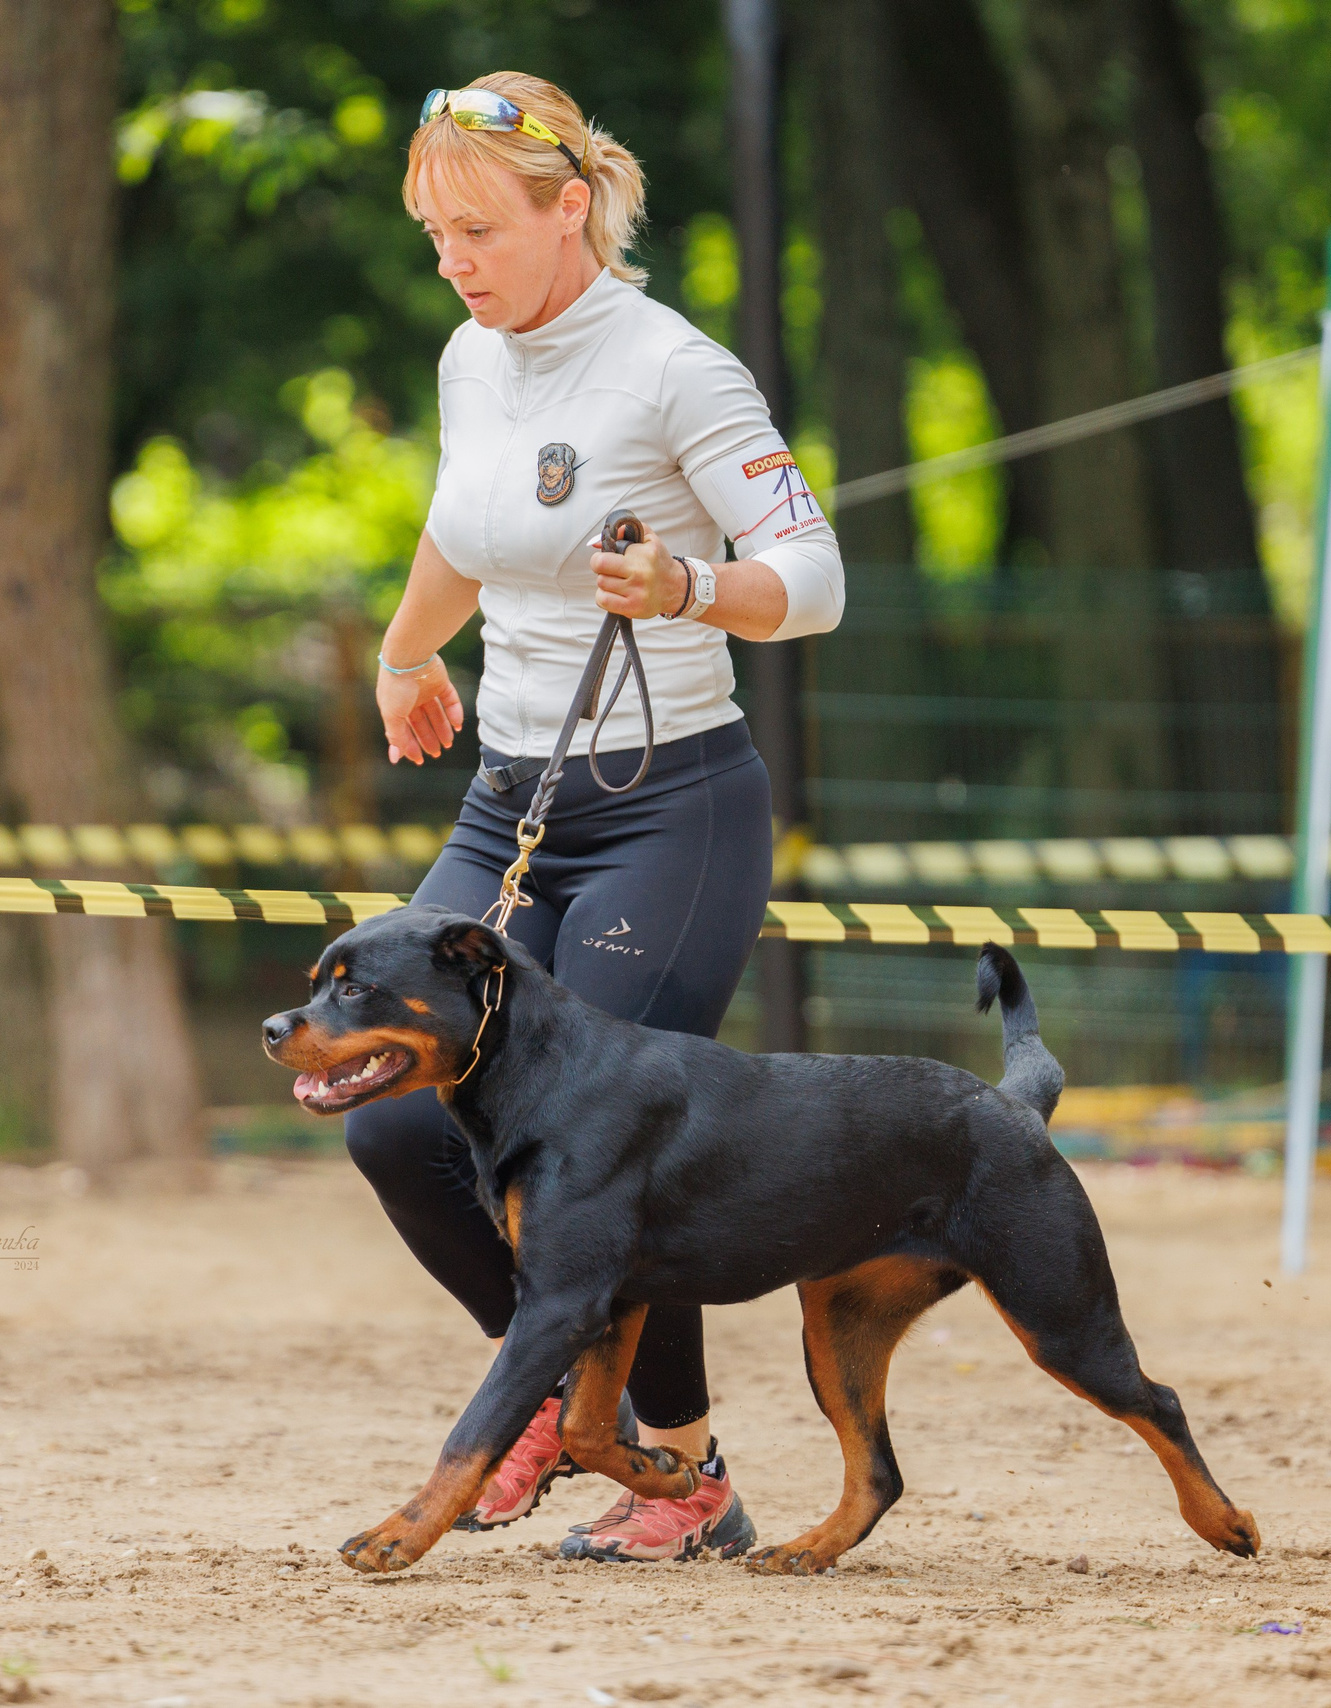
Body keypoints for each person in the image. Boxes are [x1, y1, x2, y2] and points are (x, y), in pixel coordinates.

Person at [341, 71, 843, 1564]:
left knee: (601, 1150)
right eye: (435, 235)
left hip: (669, 807)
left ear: (572, 209)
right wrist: (405, 651)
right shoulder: (469, 356)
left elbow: (814, 581)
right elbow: (465, 527)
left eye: (480, 230)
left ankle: (675, 1471)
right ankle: (575, 1404)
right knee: (394, 1121)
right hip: (509, 801)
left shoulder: (677, 369)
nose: (454, 262)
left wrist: (692, 586)